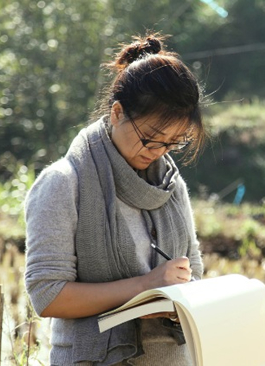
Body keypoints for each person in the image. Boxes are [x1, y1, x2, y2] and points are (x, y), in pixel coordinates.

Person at [24, 33, 205, 365]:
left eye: (173, 143)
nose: (159, 153)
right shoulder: (64, 184)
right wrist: (146, 286)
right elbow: (47, 296)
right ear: (118, 113)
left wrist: (183, 297)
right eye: (151, 140)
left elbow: (192, 270)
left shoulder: (169, 184)